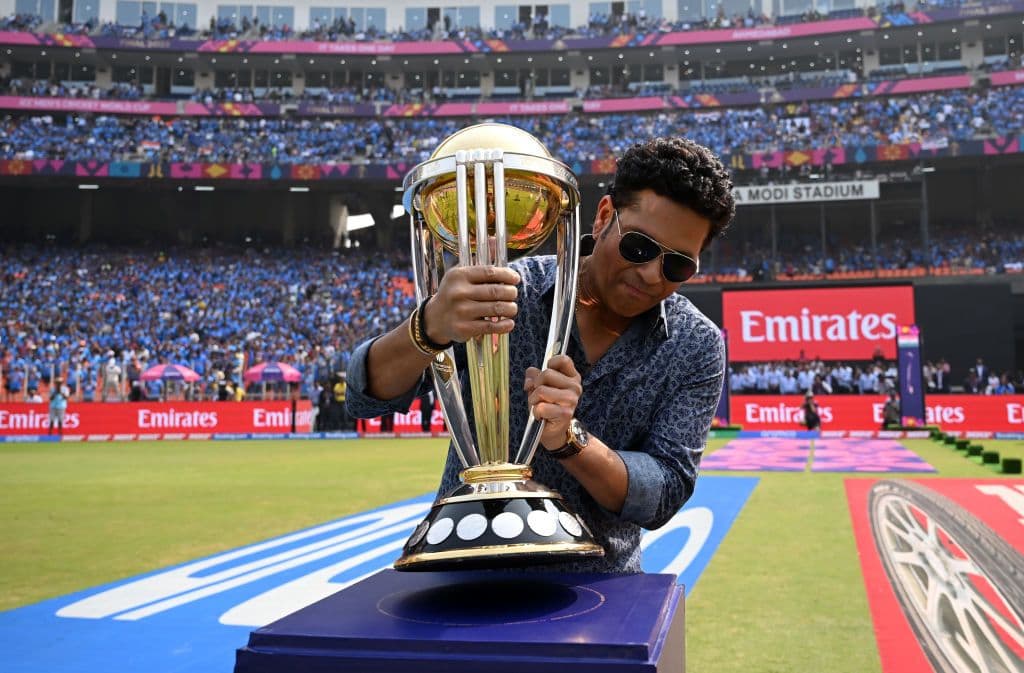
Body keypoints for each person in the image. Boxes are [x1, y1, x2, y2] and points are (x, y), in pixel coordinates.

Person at [347, 135, 735, 573]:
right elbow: (365, 397)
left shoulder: (696, 344)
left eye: (678, 265)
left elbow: (664, 491)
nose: (650, 274)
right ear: (605, 215)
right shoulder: (503, 289)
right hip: (461, 577)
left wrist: (571, 441)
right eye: (639, 247)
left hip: (598, 594)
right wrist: (428, 327)